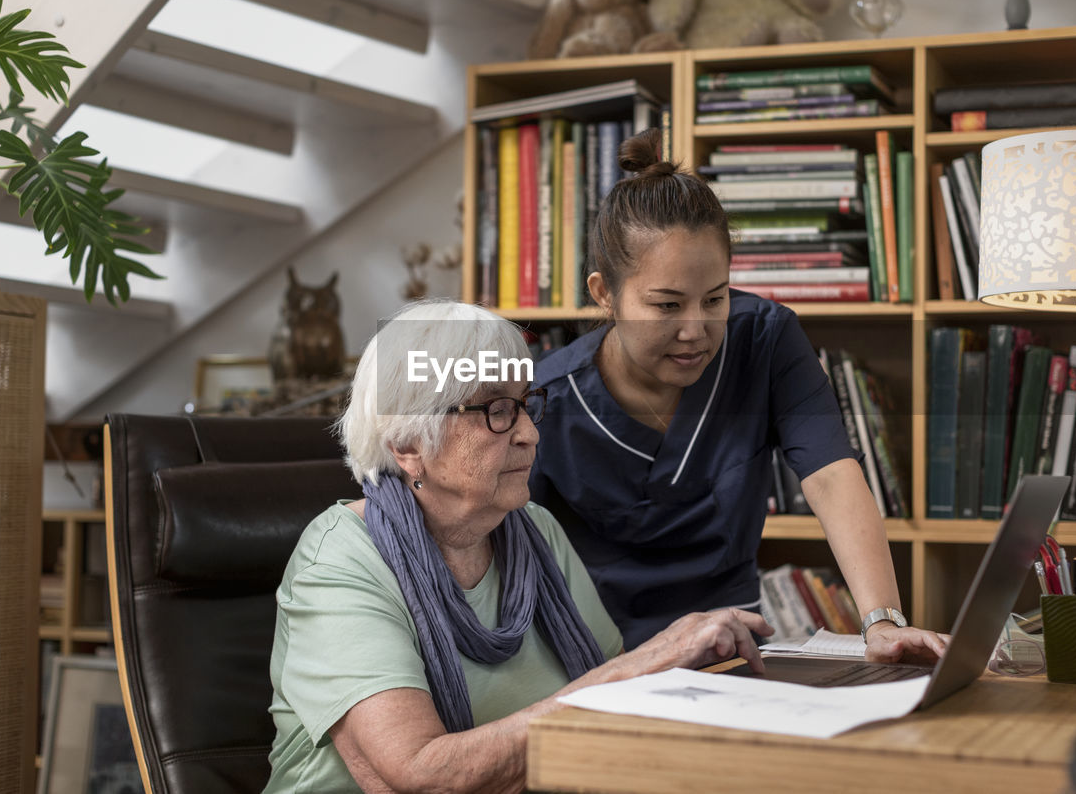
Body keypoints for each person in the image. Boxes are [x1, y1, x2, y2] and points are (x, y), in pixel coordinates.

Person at [263, 299, 770, 794]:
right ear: (408, 444)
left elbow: (613, 706)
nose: (529, 433)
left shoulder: (536, 529)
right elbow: (418, 777)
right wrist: (642, 665)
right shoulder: (340, 558)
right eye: (497, 410)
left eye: (527, 405)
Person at [529, 128, 946, 662]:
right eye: (666, 305)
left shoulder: (765, 339)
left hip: (734, 651)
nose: (696, 331)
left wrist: (882, 622)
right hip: (601, 663)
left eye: (715, 298)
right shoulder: (544, 400)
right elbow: (509, 554)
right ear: (604, 293)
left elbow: (831, 474)